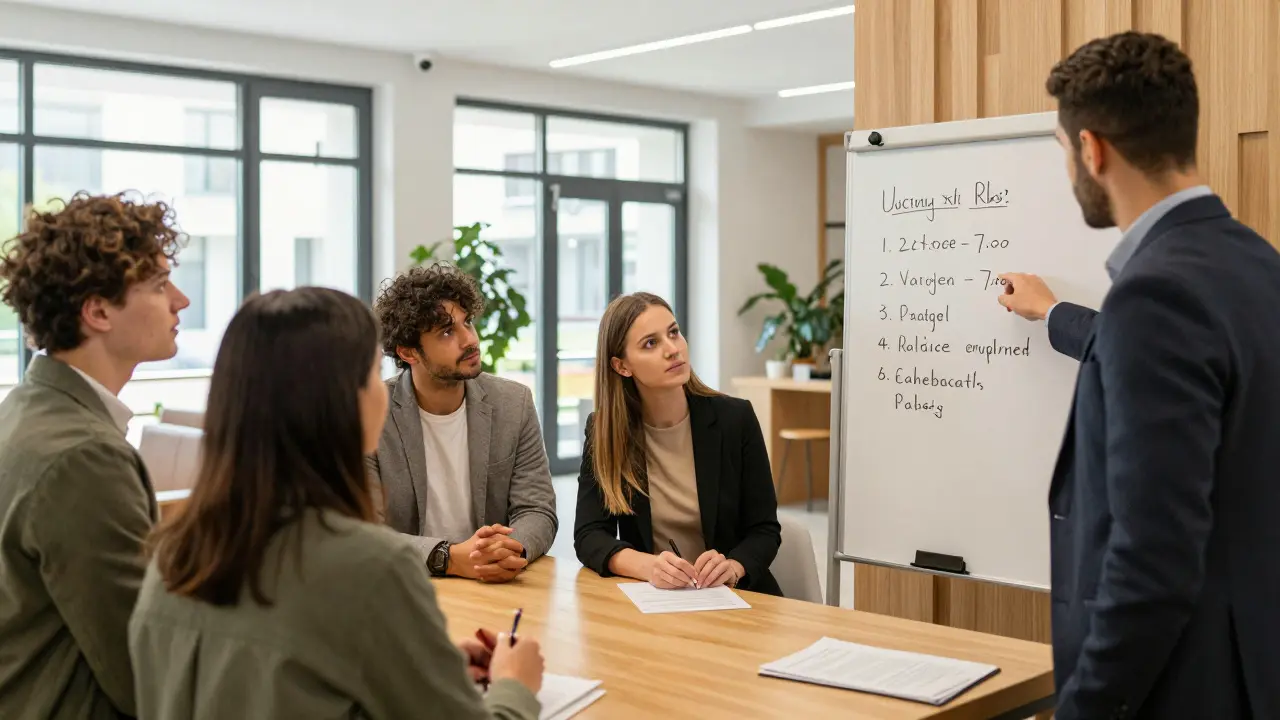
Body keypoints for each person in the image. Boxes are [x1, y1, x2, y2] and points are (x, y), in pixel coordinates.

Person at [129, 287, 545, 720]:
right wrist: (516, 685)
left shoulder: (172, 556)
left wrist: (420, 663)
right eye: (370, 373)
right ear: (338, 404)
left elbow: (279, 674)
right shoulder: (372, 567)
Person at [1027, 32, 1280, 720]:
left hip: (1183, 690)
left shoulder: (1153, 295)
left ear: (1092, 149)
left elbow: (1153, 564)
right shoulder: (1261, 264)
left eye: (1062, 148)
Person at [0, 193, 190, 719]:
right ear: (99, 311)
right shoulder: (84, 457)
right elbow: (144, 670)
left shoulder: (26, 410)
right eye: (158, 285)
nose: (181, 300)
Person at [574, 292, 782, 596]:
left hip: (738, 597)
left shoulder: (735, 419)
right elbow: (589, 535)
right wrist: (648, 566)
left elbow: (764, 529)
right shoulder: (605, 430)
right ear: (621, 366)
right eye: (651, 343)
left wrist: (735, 566)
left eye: (674, 333)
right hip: (657, 599)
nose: (673, 349)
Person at [368, 263, 556, 583]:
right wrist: (449, 558)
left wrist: (508, 548)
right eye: (446, 331)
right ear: (409, 352)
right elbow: (365, 533)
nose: (469, 339)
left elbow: (538, 510)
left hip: (494, 583)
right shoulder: (371, 414)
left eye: (467, 322)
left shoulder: (514, 403)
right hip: (405, 584)